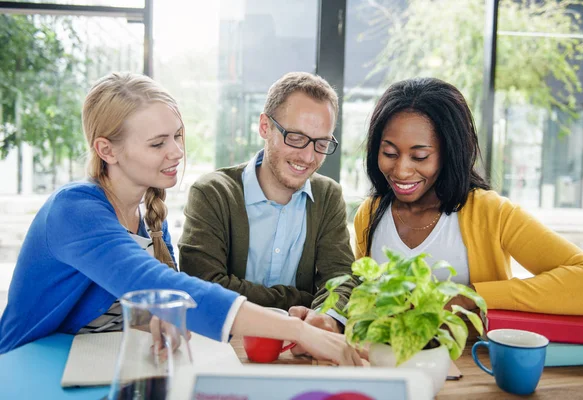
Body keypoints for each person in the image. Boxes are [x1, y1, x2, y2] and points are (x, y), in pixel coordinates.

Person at [0, 72, 363, 366]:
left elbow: (165, 304)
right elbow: (175, 289)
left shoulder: (146, 218)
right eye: (158, 144)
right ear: (106, 150)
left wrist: (159, 320)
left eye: (177, 136)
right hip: (28, 368)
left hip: (95, 367)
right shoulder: (74, 210)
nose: (176, 152)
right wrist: (300, 331)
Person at [354, 77, 583, 315]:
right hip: (379, 356)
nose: (401, 171)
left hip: (468, 357)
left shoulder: (491, 213)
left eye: (420, 157)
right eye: (389, 153)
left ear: (449, 153)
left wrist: (471, 296)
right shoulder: (370, 213)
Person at [178, 72, 356, 342]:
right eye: (296, 137)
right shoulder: (212, 192)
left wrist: (326, 317)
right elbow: (204, 286)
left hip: (300, 348)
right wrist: (301, 299)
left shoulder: (328, 195)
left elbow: (341, 279)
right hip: (223, 347)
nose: (308, 157)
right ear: (265, 126)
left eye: (321, 143)